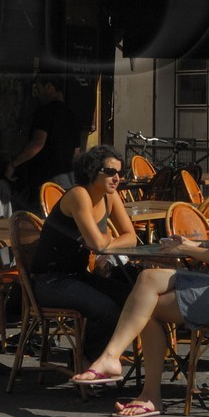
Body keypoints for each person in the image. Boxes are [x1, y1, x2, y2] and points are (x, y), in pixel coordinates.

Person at [68, 138, 209, 417]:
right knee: (149, 278)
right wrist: (196, 243)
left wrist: (190, 249)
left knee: (145, 308)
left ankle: (147, 393)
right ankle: (112, 359)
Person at [28, 146, 139, 363]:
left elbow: (131, 237)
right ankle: (86, 360)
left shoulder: (110, 196)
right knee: (106, 309)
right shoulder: (78, 195)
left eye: (119, 173)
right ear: (91, 171)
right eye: (109, 172)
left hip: (78, 276)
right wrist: (104, 241)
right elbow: (96, 243)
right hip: (51, 280)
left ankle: (102, 356)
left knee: (133, 298)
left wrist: (106, 241)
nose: (116, 178)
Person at [6, 75, 81, 202]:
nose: (36, 93)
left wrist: (13, 165)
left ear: (49, 87)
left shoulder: (45, 111)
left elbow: (37, 143)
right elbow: (76, 152)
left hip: (45, 180)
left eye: (38, 88)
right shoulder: (72, 115)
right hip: (68, 180)